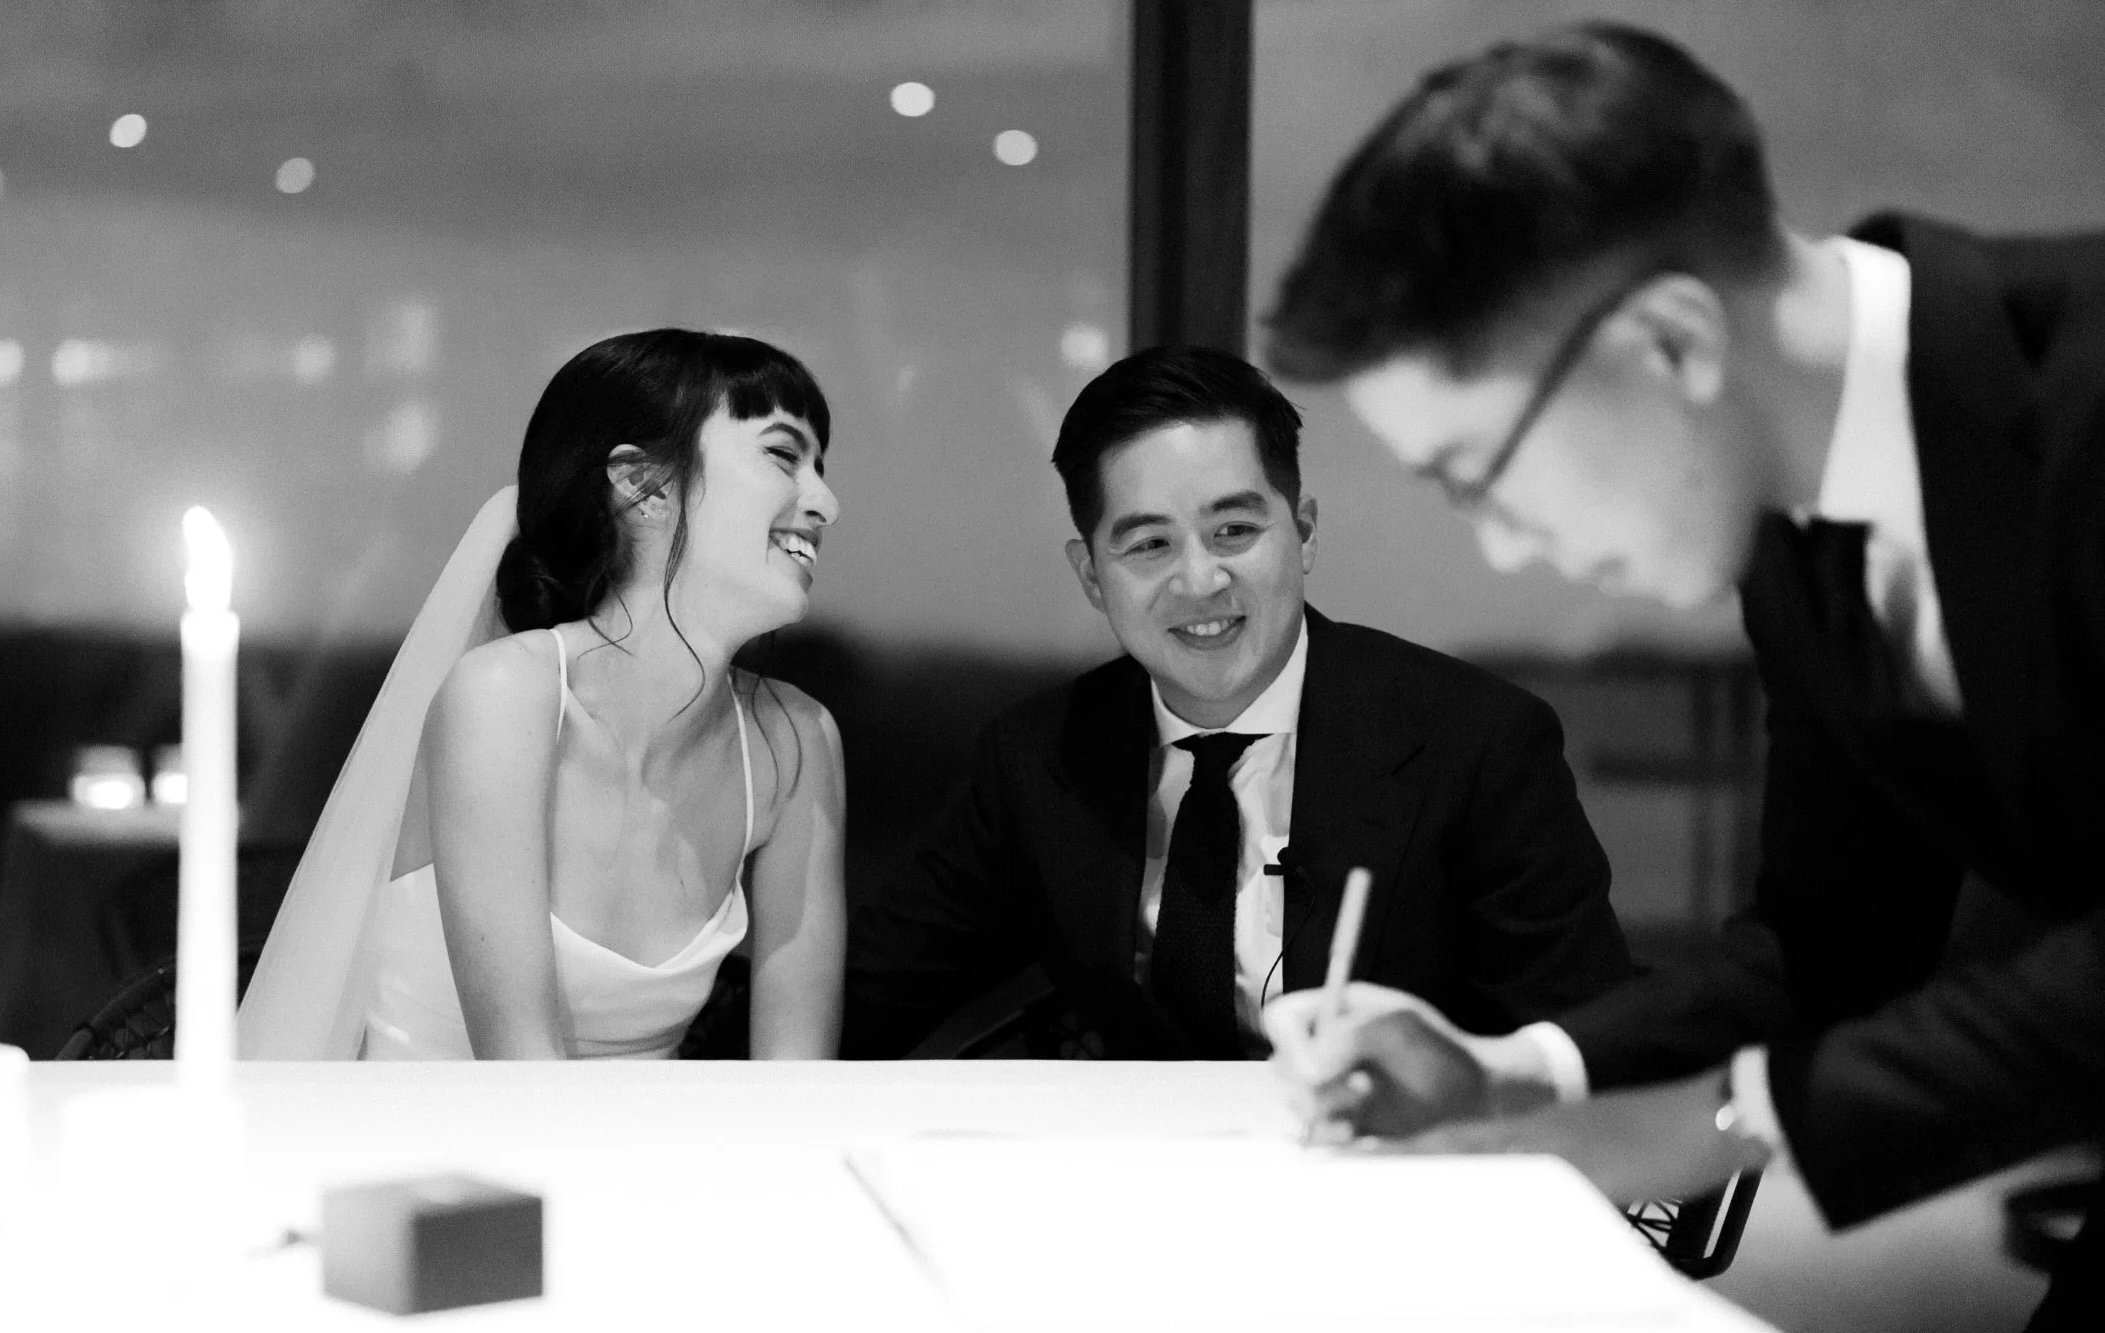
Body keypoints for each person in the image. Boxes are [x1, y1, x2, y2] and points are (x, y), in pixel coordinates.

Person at [1258, 21, 2103, 1333]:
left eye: (1480, 474)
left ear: (1668, 342)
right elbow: (1831, 940)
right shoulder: (1797, 536)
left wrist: (1724, 1127)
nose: (1508, 547)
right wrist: (1527, 1071)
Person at [843, 344, 1631, 1061]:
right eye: (1149, 544)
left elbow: (1583, 1048)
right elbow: (868, 997)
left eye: (1233, 531)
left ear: (1306, 533)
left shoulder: (1475, 744)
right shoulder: (1038, 760)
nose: (1199, 581)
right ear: (1091, 574)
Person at [240, 329, 846, 1060]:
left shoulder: (796, 740)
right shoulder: (507, 698)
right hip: (433, 1158)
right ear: (642, 484)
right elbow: (522, 1071)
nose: (826, 502)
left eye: (821, 466)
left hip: (644, 1166)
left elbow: (798, 1079)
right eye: (784, 456)